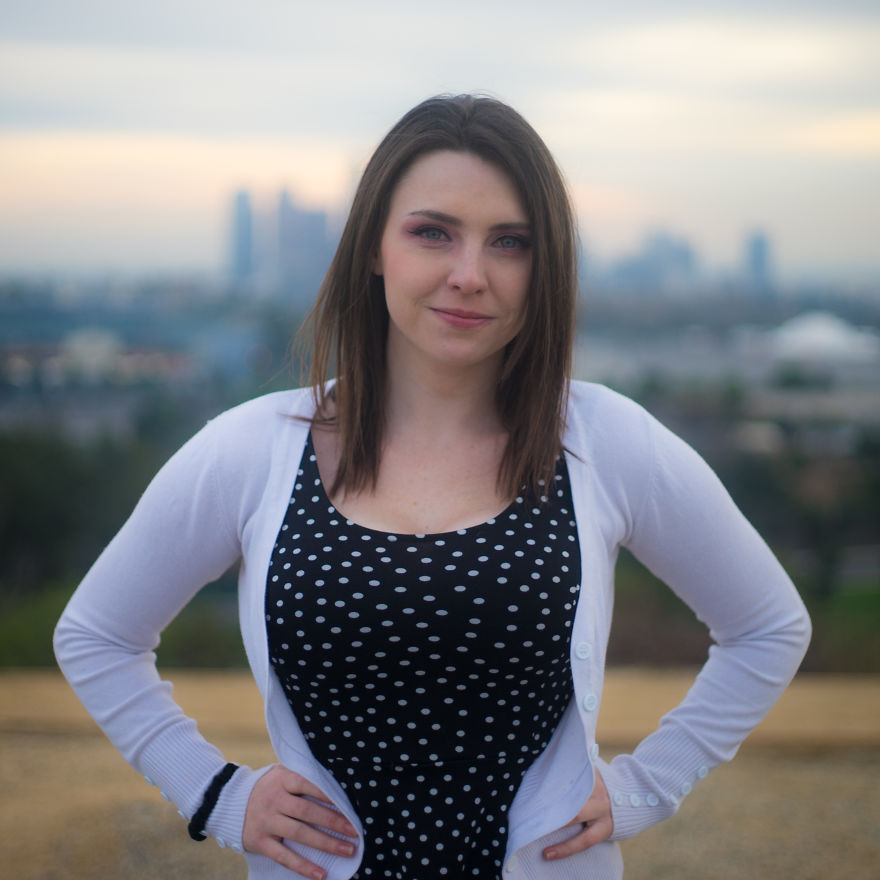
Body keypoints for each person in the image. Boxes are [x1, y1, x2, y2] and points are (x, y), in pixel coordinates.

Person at [55, 94, 811, 880]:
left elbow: (767, 626)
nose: (470, 275)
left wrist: (647, 786)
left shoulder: (600, 441)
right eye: (432, 233)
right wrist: (214, 793)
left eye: (510, 242)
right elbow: (97, 636)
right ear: (375, 247)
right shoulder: (253, 450)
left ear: (543, 264)